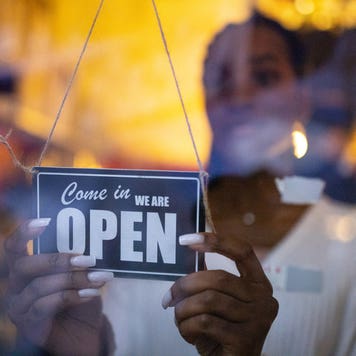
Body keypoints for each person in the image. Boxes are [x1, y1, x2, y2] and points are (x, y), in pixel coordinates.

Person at [203, 13, 356, 356]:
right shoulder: (157, 241)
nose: (241, 98)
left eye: (265, 77)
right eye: (221, 79)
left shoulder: (348, 242)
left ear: (301, 99)